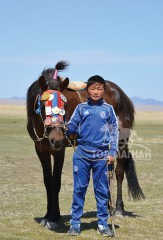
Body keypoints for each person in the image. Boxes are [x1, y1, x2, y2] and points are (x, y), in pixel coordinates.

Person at [66, 75, 119, 237]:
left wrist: (112, 152)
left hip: (102, 156)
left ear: (103, 90)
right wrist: (65, 127)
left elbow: (114, 132)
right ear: (87, 91)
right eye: (92, 88)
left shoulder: (108, 109)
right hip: (81, 154)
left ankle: (102, 224)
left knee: (102, 191)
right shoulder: (81, 108)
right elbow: (72, 126)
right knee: (79, 189)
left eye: (99, 88)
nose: (96, 92)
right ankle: (75, 224)